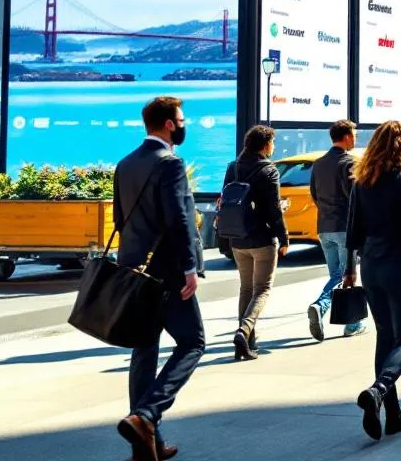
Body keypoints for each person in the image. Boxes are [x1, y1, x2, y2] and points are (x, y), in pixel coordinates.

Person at [114, 97, 205, 461]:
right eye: (181, 120)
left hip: (134, 269)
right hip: (168, 271)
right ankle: (146, 415)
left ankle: (145, 442)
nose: (184, 125)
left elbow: (121, 220)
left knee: (145, 348)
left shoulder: (125, 163)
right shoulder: (170, 164)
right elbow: (179, 219)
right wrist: (188, 267)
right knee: (193, 342)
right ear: (168, 124)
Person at [345, 120, 401, 442]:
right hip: (400, 264)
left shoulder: (362, 180)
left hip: (370, 265)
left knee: (385, 335)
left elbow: (353, 230)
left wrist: (349, 270)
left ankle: (392, 415)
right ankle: (379, 390)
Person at [223, 124, 288, 359]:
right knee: (262, 289)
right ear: (265, 144)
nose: (274, 146)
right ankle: (244, 330)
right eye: (272, 142)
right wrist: (284, 238)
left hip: (238, 238)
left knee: (246, 288)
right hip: (262, 238)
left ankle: (246, 343)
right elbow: (273, 210)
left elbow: (225, 200)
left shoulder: (234, 167)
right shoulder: (269, 171)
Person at [307, 120, 364, 341]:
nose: (356, 138)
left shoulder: (319, 163)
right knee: (346, 274)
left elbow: (314, 193)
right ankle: (321, 306)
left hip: (324, 226)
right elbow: (356, 198)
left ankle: (352, 322)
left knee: (337, 275)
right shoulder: (350, 163)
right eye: (355, 134)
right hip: (344, 227)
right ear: (347, 136)